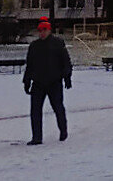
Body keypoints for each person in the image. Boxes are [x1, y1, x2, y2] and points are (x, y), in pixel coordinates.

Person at [23, 17, 72, 145]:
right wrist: (26, 81)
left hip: (54, 82)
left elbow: (66, 62)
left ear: (49, 30)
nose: (42, 33)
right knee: (35, 111)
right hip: (38, 83)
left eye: (44, 30)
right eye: (40, 30)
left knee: (58, 107)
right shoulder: (34, 46)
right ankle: (37, 137)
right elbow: (30, 65)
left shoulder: (58, 43)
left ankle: (63, 131)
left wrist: (67, 77)